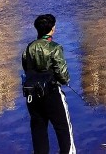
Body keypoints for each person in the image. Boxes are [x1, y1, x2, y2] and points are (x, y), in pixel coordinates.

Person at [22, 13, 76, 154]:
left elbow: (26, 68)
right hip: (52, 93)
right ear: (52, 29)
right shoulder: (55, 48)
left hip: (32, 95)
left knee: (38, 130)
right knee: (63, 129)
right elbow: (63, 76)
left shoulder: (28, 48)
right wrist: (65, 81)